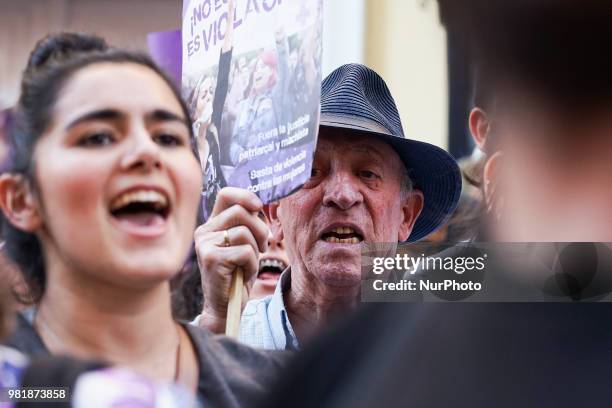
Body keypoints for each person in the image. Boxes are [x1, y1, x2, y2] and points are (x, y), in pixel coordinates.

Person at [0, 32, 284, 406]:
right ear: (21, 199)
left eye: (167, 138)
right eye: (99, 137)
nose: (147, 153)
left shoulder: (282, 389)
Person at [194, 63, 462, 349]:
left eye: (367, 173)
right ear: (275, 212)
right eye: (312, 172)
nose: (342, 195)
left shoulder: (441, 351)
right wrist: (217, 322)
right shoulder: (222, 335)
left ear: (406, 214)